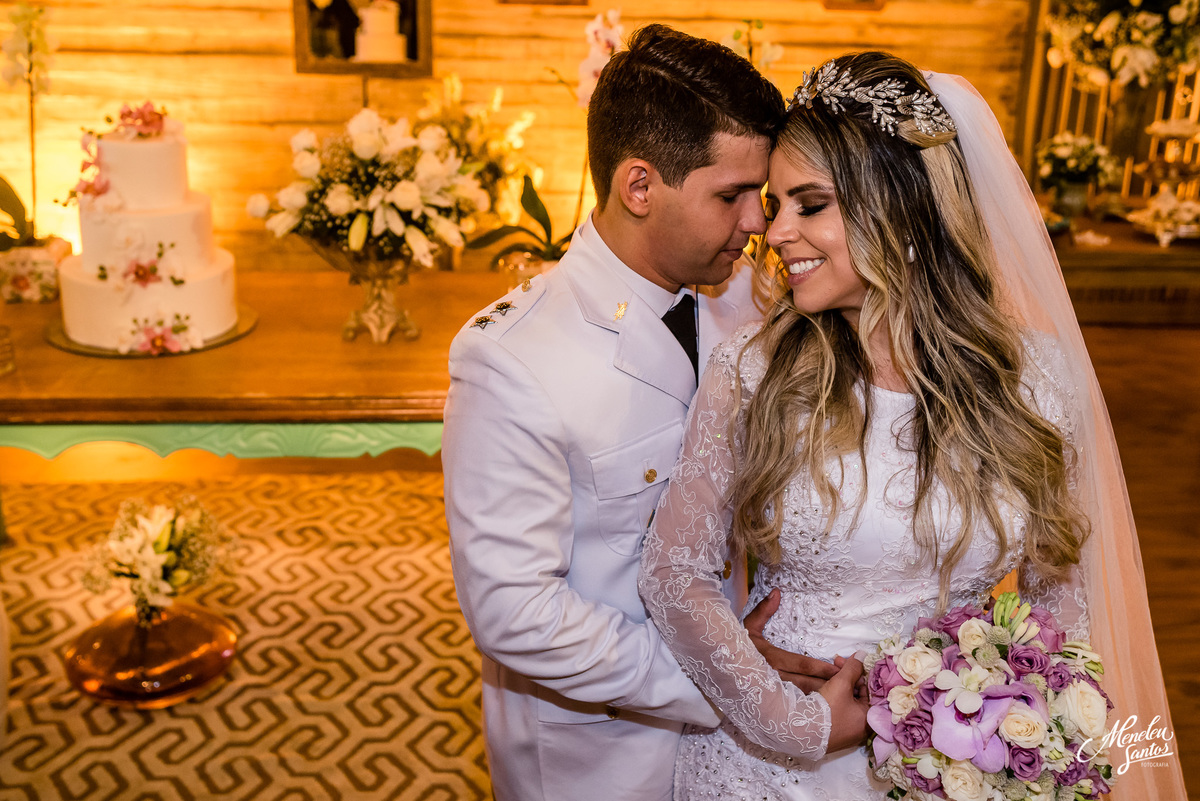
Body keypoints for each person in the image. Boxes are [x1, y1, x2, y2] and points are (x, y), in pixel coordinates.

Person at [640, 51, 1187, 799]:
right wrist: (787, 721)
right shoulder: (755, 368)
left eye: (810, 203)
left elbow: (1058, 597)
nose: (776, 230)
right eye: (776, 204)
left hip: (955, 768)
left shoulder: (1035, 383)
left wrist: (1011, 735)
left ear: (898, 209)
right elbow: (674, 573)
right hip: (767, 764)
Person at [442, 24, 863, 801]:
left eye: (761, 196)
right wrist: (724, 678)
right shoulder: (510, 359)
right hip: (604, 748)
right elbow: (514, 607)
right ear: (640, 187)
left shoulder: (752, 298)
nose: (758, 225)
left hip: (750, 726)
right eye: (732, 195)